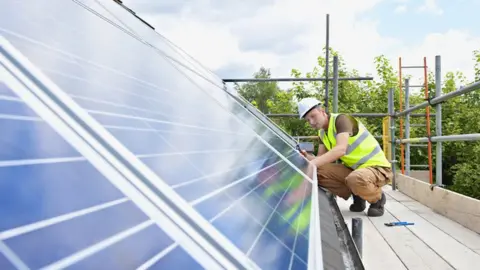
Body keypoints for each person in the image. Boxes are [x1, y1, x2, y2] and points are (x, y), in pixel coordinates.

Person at [296, 97, 393, 217]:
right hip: (355, 170)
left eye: (313, 116)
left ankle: (377, 199)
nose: (311, 122)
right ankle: (358, 195)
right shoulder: (322, 133)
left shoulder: (341, 120)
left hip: (377, 168)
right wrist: (307, 157)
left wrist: (313, 163)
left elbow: (340, 149)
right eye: (307, 120)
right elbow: (320, 159)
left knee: (356, 178)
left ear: (322, 111)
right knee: (318, 172)